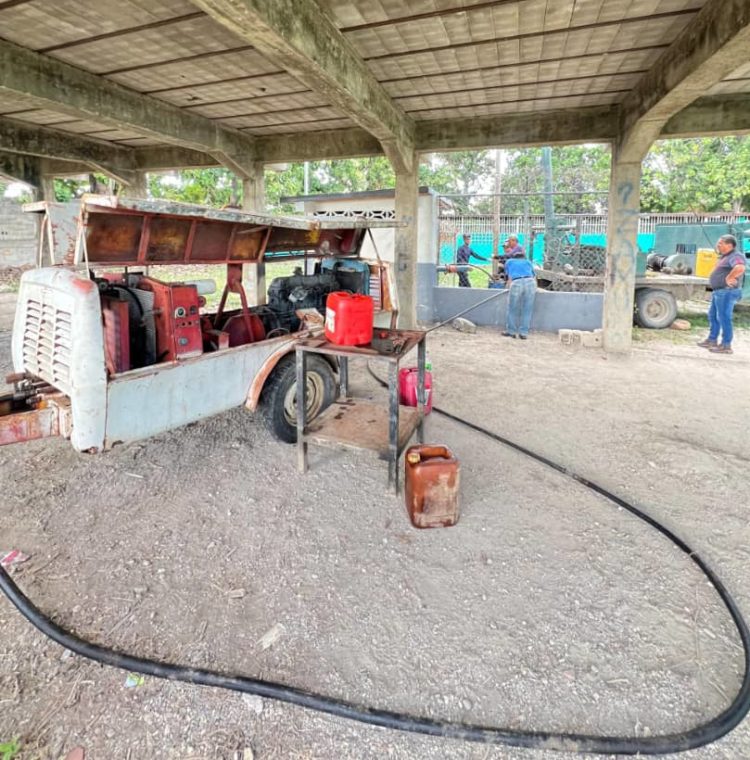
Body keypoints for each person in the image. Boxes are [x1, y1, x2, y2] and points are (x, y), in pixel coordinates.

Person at [697, 234, 746, 354]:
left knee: (724, 318)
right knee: (713, 316)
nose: (717, 245)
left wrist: (729, 277)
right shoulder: (725, 256)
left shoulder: (736, 256)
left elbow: (740, 267)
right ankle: (712, 340)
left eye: (720, 243)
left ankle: (726, 345)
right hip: (719, 291)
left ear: (729, 245)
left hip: (727, 292)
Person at [503, 251, 537, 340]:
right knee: (527, 308)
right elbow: (534, 276)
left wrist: (507, 287)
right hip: (530, 282)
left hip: (516, 282)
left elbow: (508, 277)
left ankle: (511, 331)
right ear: (523, 257)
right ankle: (523, 333)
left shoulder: (509, 261)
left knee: (512, 308)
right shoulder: (528, 262)